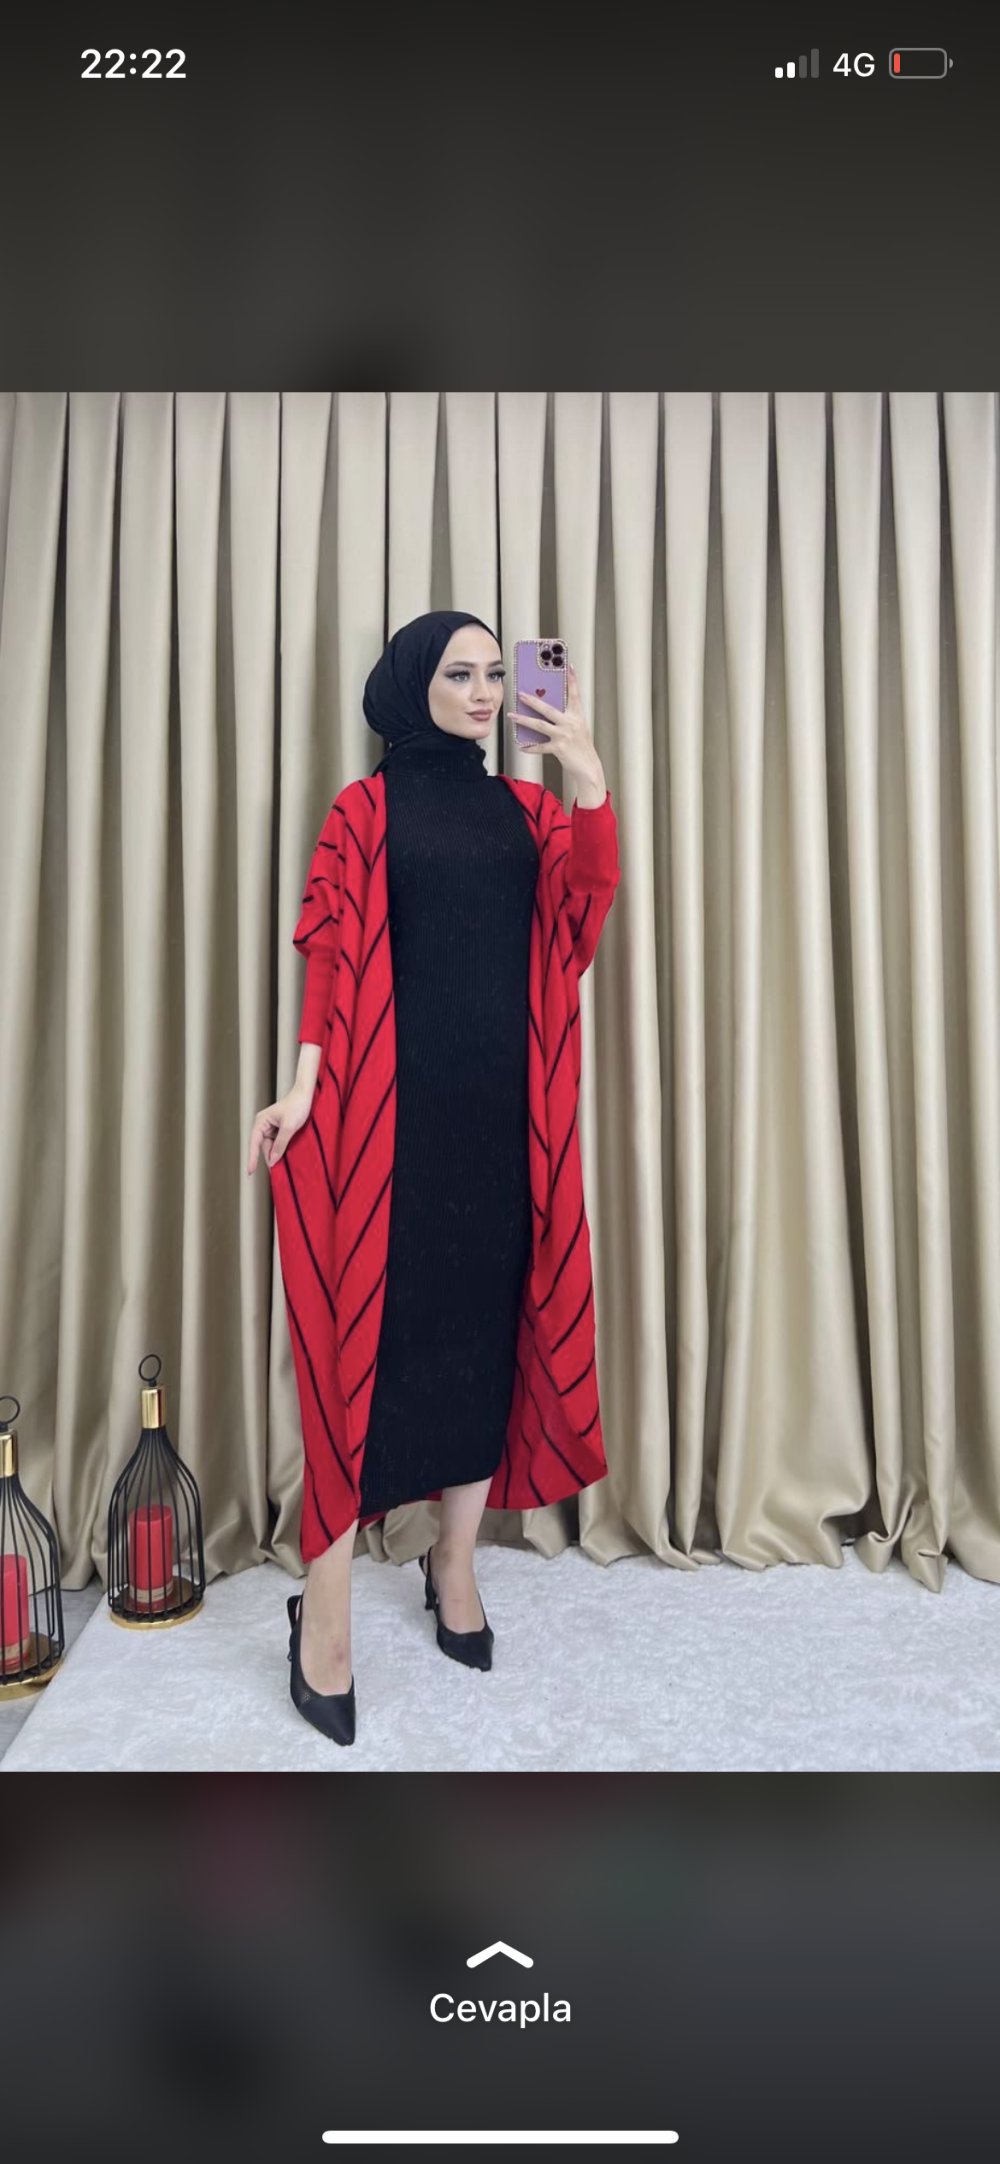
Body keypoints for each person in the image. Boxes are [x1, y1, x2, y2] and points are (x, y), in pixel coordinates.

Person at [248, 611, 621, 1745]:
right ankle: (324, 1612)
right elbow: (330, 955)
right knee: (357, 1355)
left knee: (480, 1343)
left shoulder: (527, 811)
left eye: (497, 674)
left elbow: (579, 923)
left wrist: (587, 778)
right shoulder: (363, 812)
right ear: (412, 684)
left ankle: (454, 1562)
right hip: (385, 1129)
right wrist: (303, 1088)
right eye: (460, 673)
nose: (484, 691)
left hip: (504, 1126)